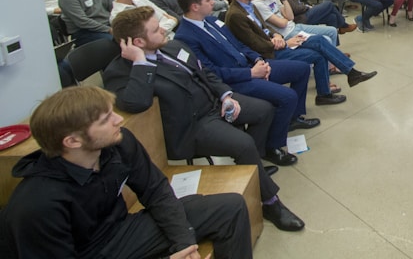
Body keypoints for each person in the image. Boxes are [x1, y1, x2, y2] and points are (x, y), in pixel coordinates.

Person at [103, 7, 305, 231]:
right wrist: (141, 62)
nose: (163, 30)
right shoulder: (121, 71)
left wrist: (225, 95)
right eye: (155, 29)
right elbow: (135, 102)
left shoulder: (172, 46)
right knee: (243, 143)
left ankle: (253, 167)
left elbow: (205, 73)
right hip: (192, 125)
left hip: (215, 104)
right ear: (138, 43)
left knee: (264, 110)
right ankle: (271, 204)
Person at [0, 86, 253, 258]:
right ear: (72, 141)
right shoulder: (36, 205)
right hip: (86, 253)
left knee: (230, 208)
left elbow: (155, 190)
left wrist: (184, 243)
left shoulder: (118, 143)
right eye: (105, 119)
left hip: (122, 231)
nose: (118, 121)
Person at [175, 0, 319, 165]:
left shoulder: (211, 21)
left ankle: (292, 118)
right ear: (195, 6)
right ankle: (272, 147)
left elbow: (240, 45)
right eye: (208, 0)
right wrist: (250, 73)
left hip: (252, 66)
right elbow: (210, 72)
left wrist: (258, 59)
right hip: (235, 80)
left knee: (302, 69)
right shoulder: (185, 37)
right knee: (287, 96)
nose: (213, 2)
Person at [225, 0, 373, 104]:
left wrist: (276, 35)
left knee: (319, 46)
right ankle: (349, 75)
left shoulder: (249, 6)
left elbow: (265, 28)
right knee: (319, 46)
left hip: (278, 41)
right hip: (268, 53)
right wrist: (283, 42)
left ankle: (328, 91)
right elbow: (253, 43)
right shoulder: (236, 15)